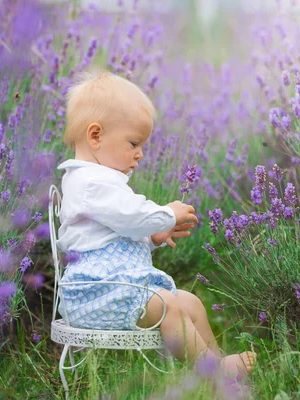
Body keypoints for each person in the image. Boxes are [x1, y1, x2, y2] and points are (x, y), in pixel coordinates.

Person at [55, 69, 256, 379]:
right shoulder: (90, 183)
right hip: (94, 295)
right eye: (133, 143)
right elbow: (132, 216)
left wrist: (154, 237)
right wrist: (167, 214)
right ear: (95, 136)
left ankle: (218, 369)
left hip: (120, 289)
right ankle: (215, 373)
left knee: (188, 302)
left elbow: (114, 234)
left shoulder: (101, 182)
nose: (140, 154)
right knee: (167, 306)